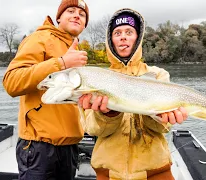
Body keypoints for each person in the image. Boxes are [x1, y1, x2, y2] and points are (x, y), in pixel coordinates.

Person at [79, 8, 188, 180]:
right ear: (110, 40)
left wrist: (159, 116)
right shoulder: (95, 78)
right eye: (117, 33)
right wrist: (108, 114)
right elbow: (92, 129)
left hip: (156, 171)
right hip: (108, 172)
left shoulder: (158, 75)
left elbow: (163, 128)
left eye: (129, 32)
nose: (123, 36)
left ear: (138, 38)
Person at [2, 0, 89, 179]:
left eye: (82, 14)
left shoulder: (75, 49)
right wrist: (61, 63)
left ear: (85, 24)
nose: (76, 15)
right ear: (59, 17)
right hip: (38, 148)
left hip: (70, 147)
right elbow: (12, 82)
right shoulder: (39, 38)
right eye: (70, 11)